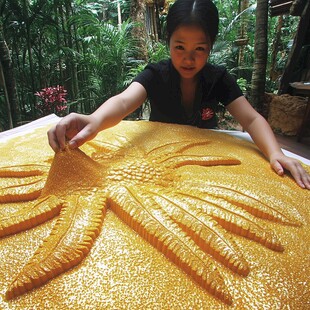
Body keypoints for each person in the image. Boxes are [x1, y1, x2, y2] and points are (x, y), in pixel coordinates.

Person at [47, 0, 310, 189]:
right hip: (156, 167)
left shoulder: (218, 78)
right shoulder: (155, 74)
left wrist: (276, 153)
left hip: (204, 167)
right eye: (180, 47)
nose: (188, 58)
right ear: (168, 42)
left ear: (210, 47)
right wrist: (93, 119)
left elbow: (251, 120)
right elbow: (125, 101)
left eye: (199, 48)